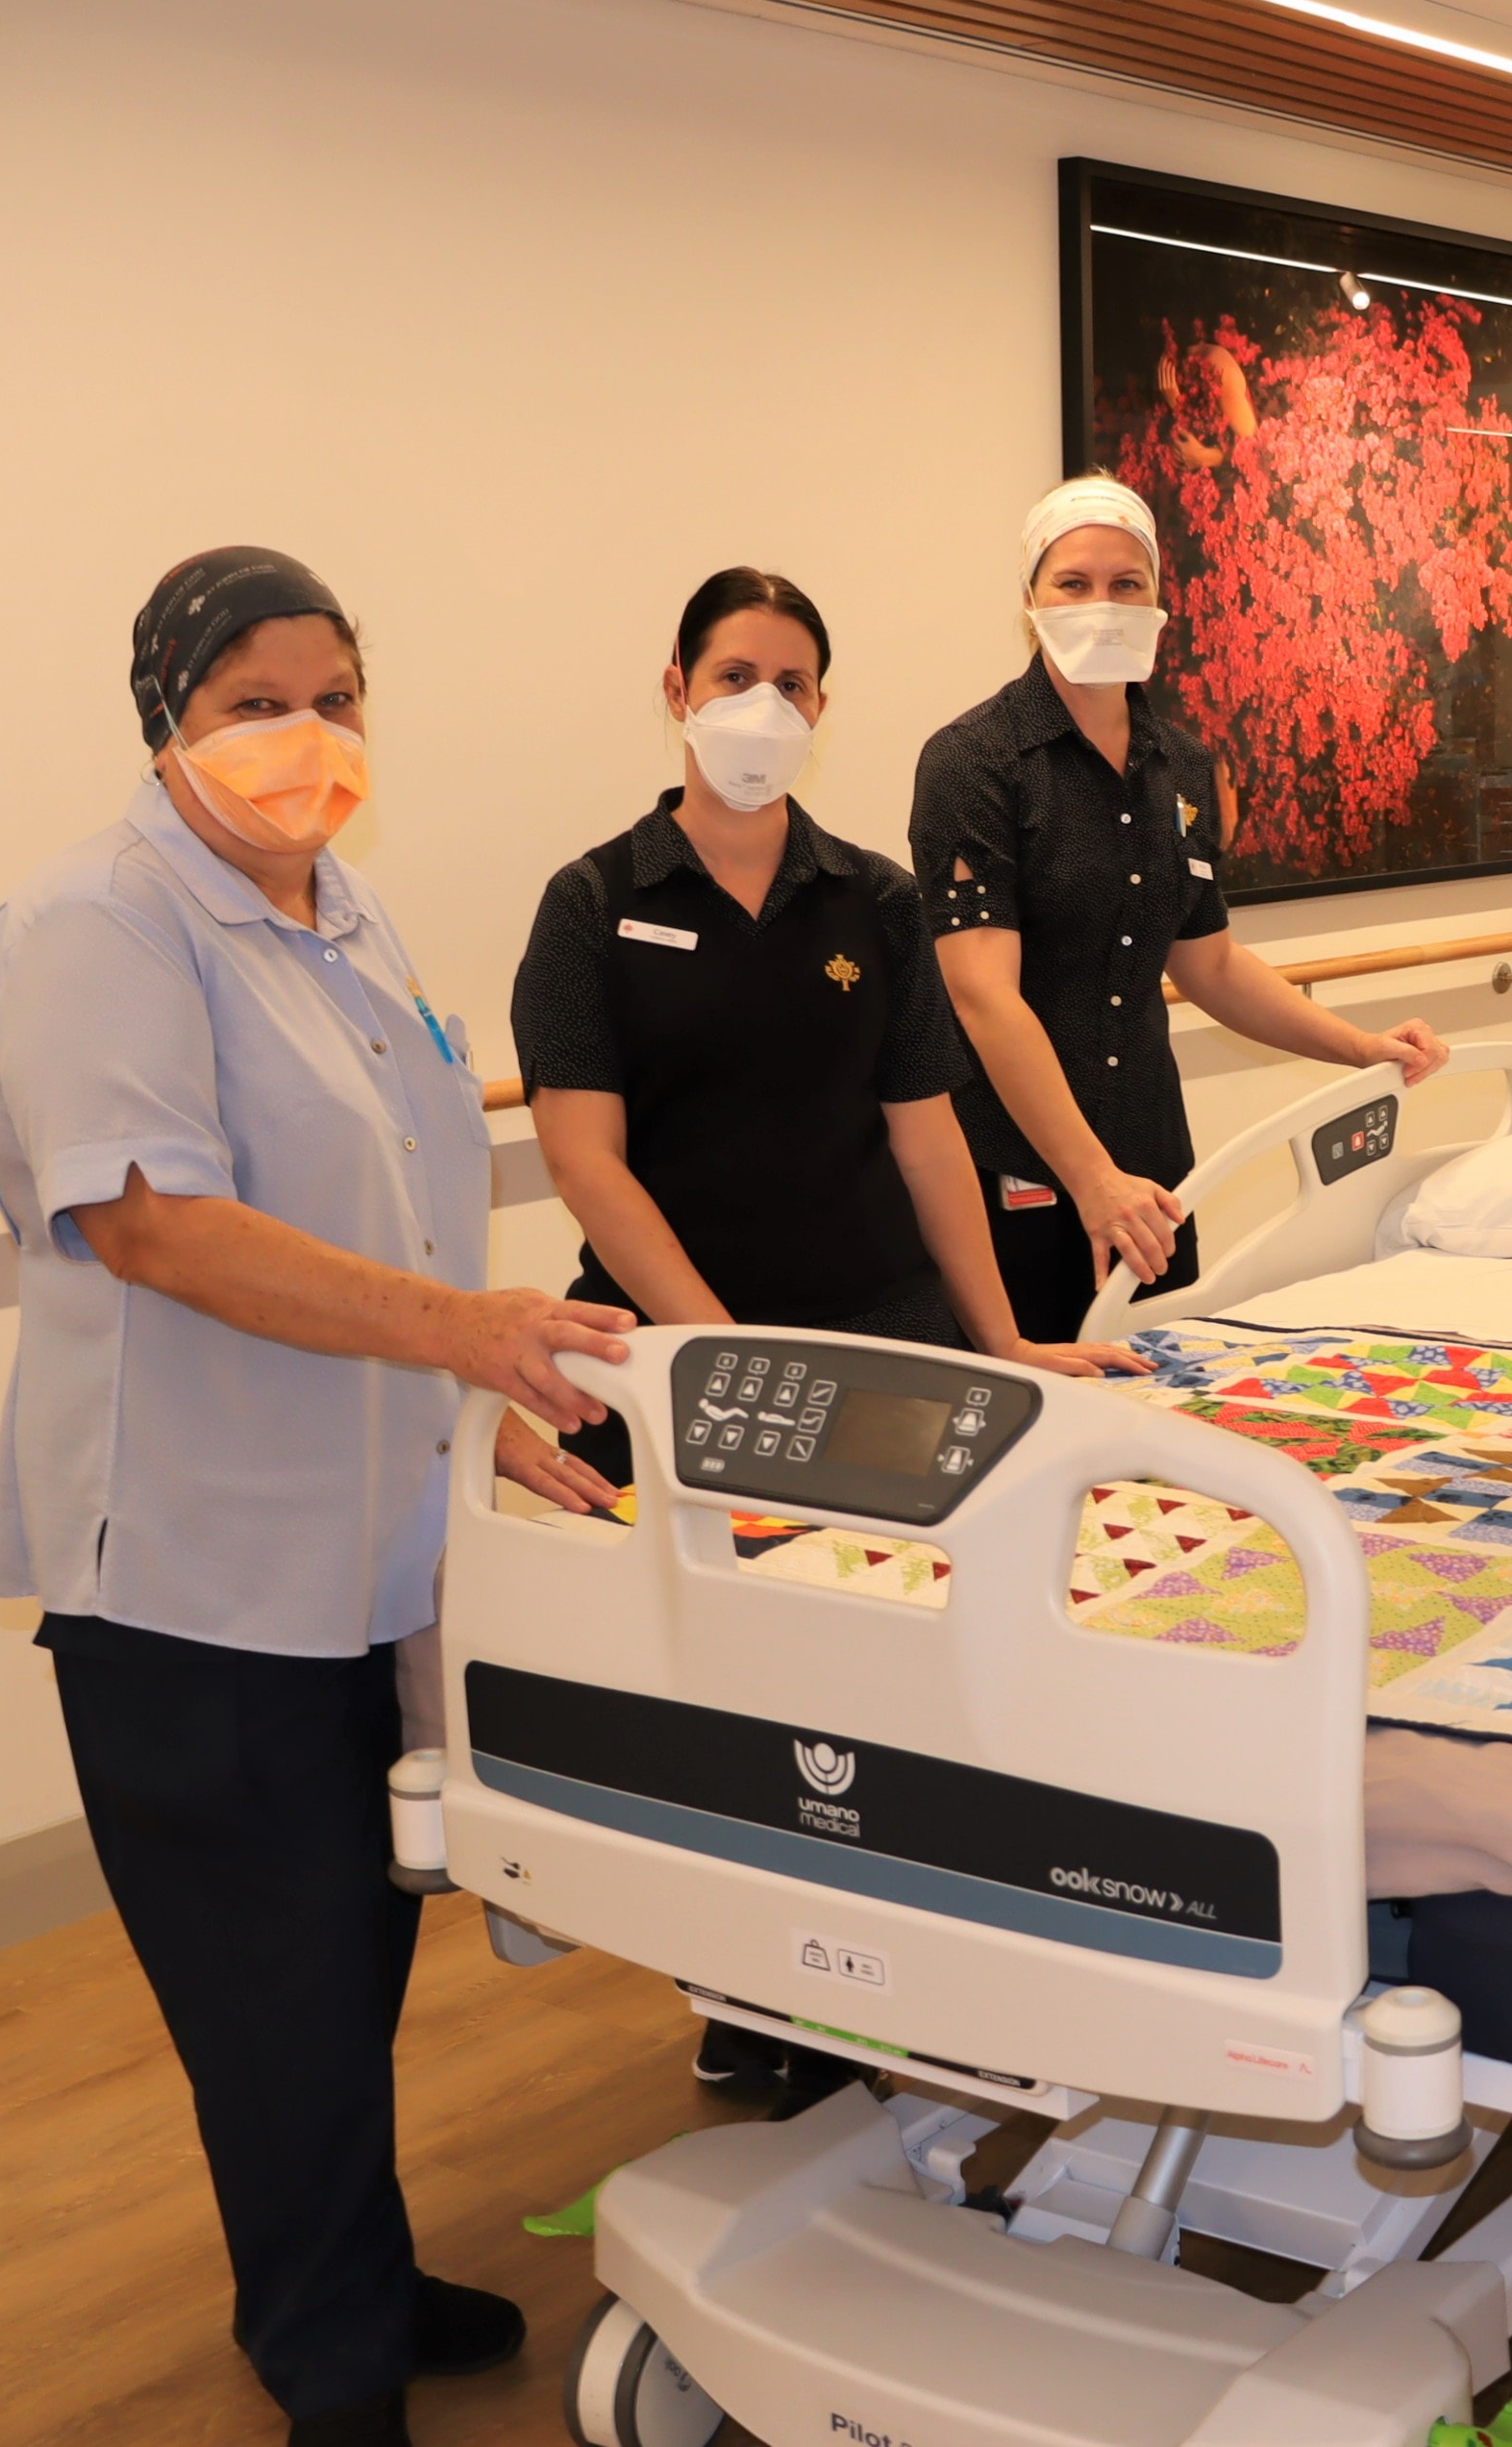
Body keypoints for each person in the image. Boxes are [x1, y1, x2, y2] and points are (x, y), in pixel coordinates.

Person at [0, 548, 638, 2447]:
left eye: (335, 696)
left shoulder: (345, 918)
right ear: (166, 719)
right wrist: (472, 1325)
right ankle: (332, 2366)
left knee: (343, 1957)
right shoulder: (97, 919)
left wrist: (481, 1402)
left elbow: (395, 1210)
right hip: (191, 1568)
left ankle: (338, 2272)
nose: (306, 738)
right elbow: (156, 1223)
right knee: (271, 1997)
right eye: (254, 702)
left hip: (363, 1550)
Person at [510, 563, 1143, 2100]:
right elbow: (583, 1156)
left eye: (793, 683)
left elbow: (926, 1139)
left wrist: (997, 1342)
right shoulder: (596, 902)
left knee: (897, 1676)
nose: (762, 707)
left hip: (878, 1335)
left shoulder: (872, 895)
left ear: (821, 707)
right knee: (735, 1688)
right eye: (733, 674)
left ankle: (925, 1974)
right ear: (673, 690)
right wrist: (720, 1358)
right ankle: (758, 1996)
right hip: (675, 1362)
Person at [912, 477, 1451, 1349]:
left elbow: (1209, 964)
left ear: (1161, 599)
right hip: (1016, 1168)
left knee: (1167, 1416)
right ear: (1029, 603)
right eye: (1073, 583)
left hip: (1153, 1170)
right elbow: (982, 997)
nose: (1101, 603)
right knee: (1026, 1430)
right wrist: (1089, 1177)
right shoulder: (975, 761)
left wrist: (1361, 1047)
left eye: (1127, 583)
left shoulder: (1183, 765)